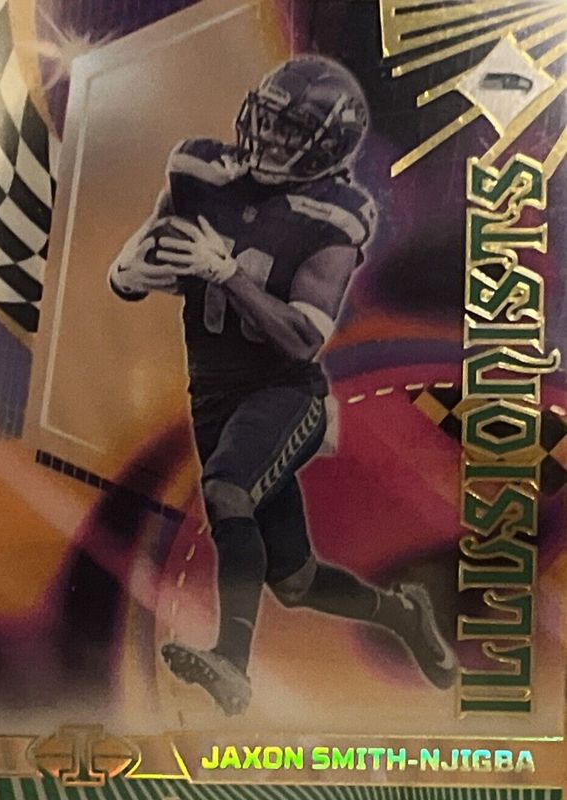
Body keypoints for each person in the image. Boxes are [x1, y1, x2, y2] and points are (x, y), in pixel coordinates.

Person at [108, 56, 457, 715]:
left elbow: (301, 338)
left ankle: (229, 664)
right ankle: (403, 613)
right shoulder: (199, 168)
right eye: (266, 121)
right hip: (212, 395)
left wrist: (225, 273)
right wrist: (131, 268)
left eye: (289, 131)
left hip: (286, 392)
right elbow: (152, 252)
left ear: (327, 146)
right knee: (293, 580)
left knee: (227, 490)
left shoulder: (335, 216)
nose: (267, 139)